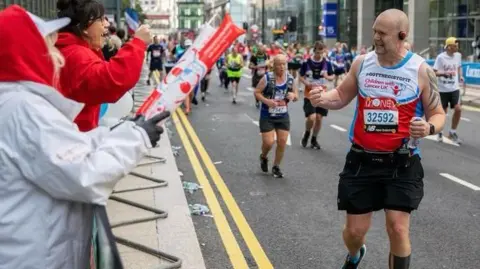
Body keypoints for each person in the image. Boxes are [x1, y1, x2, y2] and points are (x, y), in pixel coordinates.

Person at [0, 5, 170, 268]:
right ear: (26, 51)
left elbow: (71, 146)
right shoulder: (24, 110)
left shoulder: (16, 102)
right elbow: (86, 174)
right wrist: (137, 138)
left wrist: (126, 131)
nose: (55, 53)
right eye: (47, 45)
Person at [310, 9, 445, 269]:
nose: (376, 37)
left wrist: (428, 127)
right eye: (374, 31)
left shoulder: (421, 70)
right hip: (362, 160)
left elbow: (438, 113)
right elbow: (340, 95)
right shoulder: (362, 63)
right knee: (354, 233)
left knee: (397, 228)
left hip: (401, 163)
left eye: (382, 33)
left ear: (402, 35)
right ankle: (355, 253)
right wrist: (322, 98)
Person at [55, 0, 151, 132]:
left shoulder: (68, 49)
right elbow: (114, 79)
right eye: (101, 20)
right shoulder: (76, 55)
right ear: (84, 28)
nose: (107, 24)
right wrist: (138, 43)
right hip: (75, 139)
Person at [254, 54, 298, 178]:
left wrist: (293, 96)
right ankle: (263, 157)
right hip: (267, 115)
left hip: (282, 115)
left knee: (282, 141)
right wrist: (267, 102)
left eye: (284, 64)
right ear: (274, 66)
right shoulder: (267, 78)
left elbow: (296, 96)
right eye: (280, 64)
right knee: (268, 142)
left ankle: (276, 166)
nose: (282, 67)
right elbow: (257, 92)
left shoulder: (290, 79)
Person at [299, 41, 335, 149]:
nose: (320, 54)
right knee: (312, 117)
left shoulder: (327, 62)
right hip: (309, 93)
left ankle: (314, 139)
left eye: (322, 52)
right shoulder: (307, 62)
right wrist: (306, 83)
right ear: (314, 51)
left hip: (322, 93)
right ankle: (306, 133)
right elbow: (300, 76)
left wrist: (327, 76)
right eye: (318, 52)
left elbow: (332, 76)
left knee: (319, 118)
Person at [433, 37, 464, 144]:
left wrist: (461, 76)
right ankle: (440, 132)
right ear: (449, 46)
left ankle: (452, 132)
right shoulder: (441, 58)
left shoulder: (458, 56)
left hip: (454, 88)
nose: (457, 48)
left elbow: (459, 67)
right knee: (443, 112)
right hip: (442, 89)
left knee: (458, 109)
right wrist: (444, 74)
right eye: (455, 46)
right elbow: (434, 72)